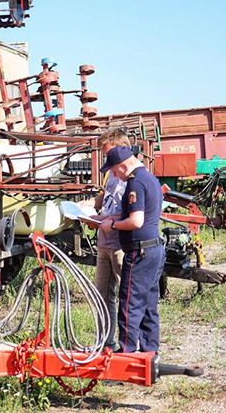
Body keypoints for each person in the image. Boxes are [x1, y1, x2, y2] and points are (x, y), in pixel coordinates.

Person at [100, 145, 165, 353]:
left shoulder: (134, 183)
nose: (114, 175)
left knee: (129, 305)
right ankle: (149, 354)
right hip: (154, 250)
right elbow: (136, 214)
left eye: (114, 170)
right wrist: (107, 218)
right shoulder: (150, 179)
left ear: (124, 165)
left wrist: (113, 226)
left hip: (139, 252)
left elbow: (136, 221)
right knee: (148, 306)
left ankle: (126, 355)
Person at [80, 128, 130, 350]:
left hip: (121, 243)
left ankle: (128, 343)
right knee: (102, 294)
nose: (106, 160)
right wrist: (91, 204)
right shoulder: (111, 174)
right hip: (104, 242)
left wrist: (102, 219)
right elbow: (107, 195)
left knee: (125, 295)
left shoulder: (132, 177)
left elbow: (132, 213)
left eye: (109, 153)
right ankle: (105, 342)